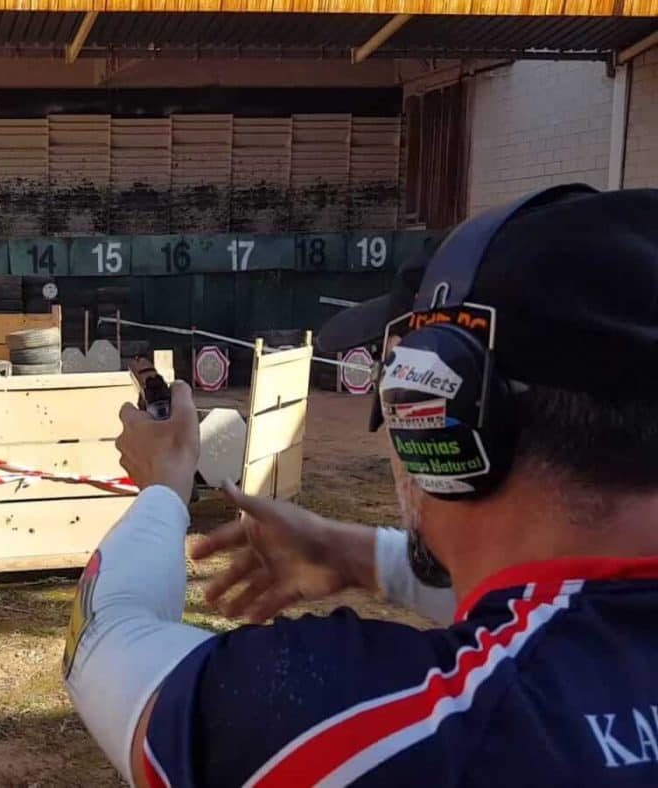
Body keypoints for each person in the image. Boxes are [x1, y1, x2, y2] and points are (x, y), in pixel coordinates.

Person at [62, 184, 658, 787]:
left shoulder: (391, 734)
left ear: (442, 418)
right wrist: (369, 558)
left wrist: (164, 485)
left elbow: (101, 639)